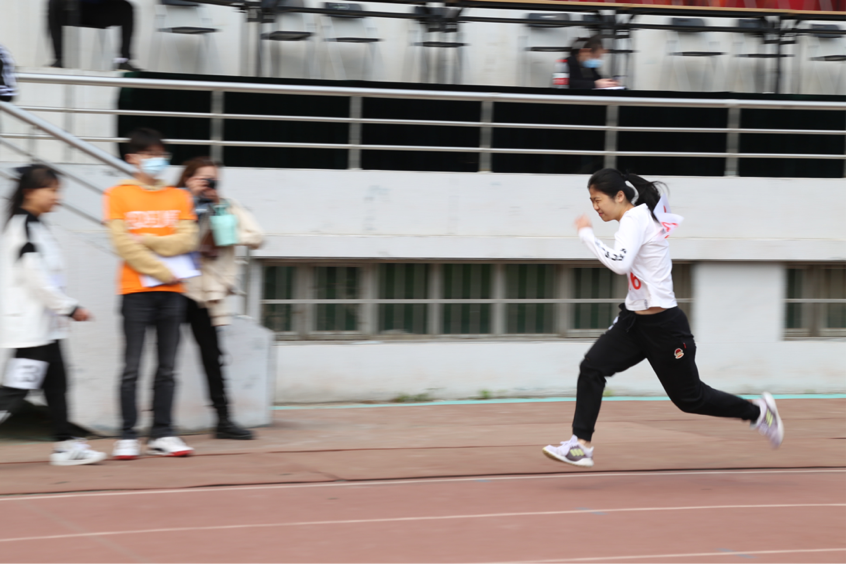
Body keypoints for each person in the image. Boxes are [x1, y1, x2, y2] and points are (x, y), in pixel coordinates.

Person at [542, 168, 784, 468]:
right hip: (634, 323)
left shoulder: (636, 218)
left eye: (597, 199)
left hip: (664, 328)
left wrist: (586, 235)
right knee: (592, 368)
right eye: (591, 201)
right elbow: (639, 274)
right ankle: (581, 445)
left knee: (690, 399)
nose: (595, 207)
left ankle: (760, 413)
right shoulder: (637, 218)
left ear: (620, 196)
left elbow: (621, 264)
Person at [0, 165, 107, 466]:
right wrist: (69, 307)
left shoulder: (36, 225)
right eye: (51, 190)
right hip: (31, 327)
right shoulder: (22, 226)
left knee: (57, 384)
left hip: (45, 326)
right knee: (15, 391)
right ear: (29, 192)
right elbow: (36, 276)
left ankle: (65, 445)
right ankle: (65, 444)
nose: (57, 197)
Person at [104, 128, 198, 460]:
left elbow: (187, 240)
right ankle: (127, 435)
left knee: (168, 367)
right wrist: (162, 271)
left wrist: (147, 239)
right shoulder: (118, 194)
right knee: (132, 367)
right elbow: (122, 244)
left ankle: (163, 432)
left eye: (161, 155)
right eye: (150, 154)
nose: (158, 160)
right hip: (136, 291)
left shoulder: (179, 196)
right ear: (132, 158)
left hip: (173, 293)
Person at [176, 157, 264, 440]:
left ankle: (223, 420)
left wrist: (223, 222)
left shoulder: (224, 206)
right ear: (187, 178)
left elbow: (256, 237)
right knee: (167, 359)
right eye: (201, 178)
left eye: (212, 179)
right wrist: (190, 203)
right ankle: (160, 425)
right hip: (175, 288)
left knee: (212, 357)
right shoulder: (173, 202)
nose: (207, 184)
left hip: (206, 294)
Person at [47, 0, 141, 71]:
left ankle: (123, 60)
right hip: (75, 6)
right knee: (55, 3)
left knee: (126, 7)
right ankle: (61, 58)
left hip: (101, 9)